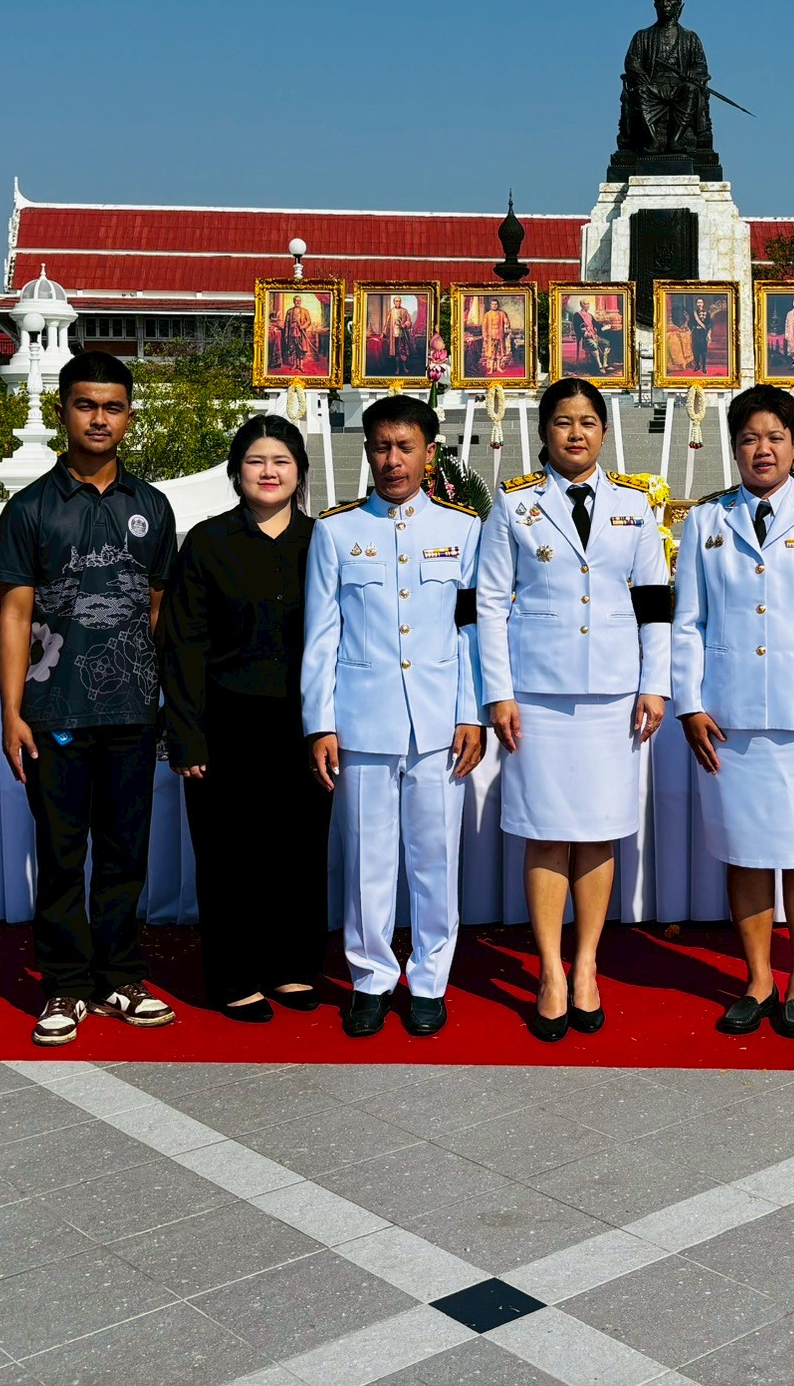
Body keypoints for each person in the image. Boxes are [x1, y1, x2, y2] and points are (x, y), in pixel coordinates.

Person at [0, 350, 181, 1048]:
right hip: (55, 713)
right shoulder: (31, 508)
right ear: (64, 411)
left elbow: (158, 610)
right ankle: (66, 986)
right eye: (85, 405)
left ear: (128, 417)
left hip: (133, 711)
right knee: (63, 852)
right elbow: (15, 616)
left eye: (112, 407)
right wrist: (10, 713)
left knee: (127, 852)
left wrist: (161, 699)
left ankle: (121, 976)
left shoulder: (152, 508)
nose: (99, 418)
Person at [672, 386, 794, 1039]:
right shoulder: (704, 522)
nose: (763, 449)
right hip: (729, 715)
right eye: (751, 437)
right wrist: (689, 702)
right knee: (746, 851)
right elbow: (686, 623)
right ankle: (758, 978)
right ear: (733, 448)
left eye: (776, 436)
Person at [475, 377, 671, 1041]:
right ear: (544, 432)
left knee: (599, 828)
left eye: (588, 421)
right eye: (563, 422)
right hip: (538, 693)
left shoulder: (635, 507)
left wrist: (656, 682)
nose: (576, 433)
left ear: (606, 431)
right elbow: (491, 603)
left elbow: (654, 602)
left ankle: (587, 963)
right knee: (546, 828)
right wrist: (497, 691)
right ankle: (550, 969)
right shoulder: (515, 507)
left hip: (615, 692)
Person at [302, 395, 486, 1038]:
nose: (392, 460)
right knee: (366, 861)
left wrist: (473, 713)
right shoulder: (336, 532)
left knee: (435, 860)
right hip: (363, 720)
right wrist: (320, 724)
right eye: (381, 447)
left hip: (439, 724)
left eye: (405, 447)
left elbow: (471, 633)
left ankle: (431, 978)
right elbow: (321, 637)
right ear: (367, 452)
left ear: (430, 453)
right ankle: (371, 977)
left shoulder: (463, 531)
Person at [160, 416, 326, 1023]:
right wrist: (186, 733)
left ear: (299, 473)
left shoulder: (322, 540)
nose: (269, 472)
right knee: (230, 855)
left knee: (299, 850)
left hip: (306, 724)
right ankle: (233, 975)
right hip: (225, 720)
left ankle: (291, 966)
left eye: (281, 461)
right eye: (255, 461)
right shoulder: (206, 543)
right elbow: (181, 644)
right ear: (235, 472)